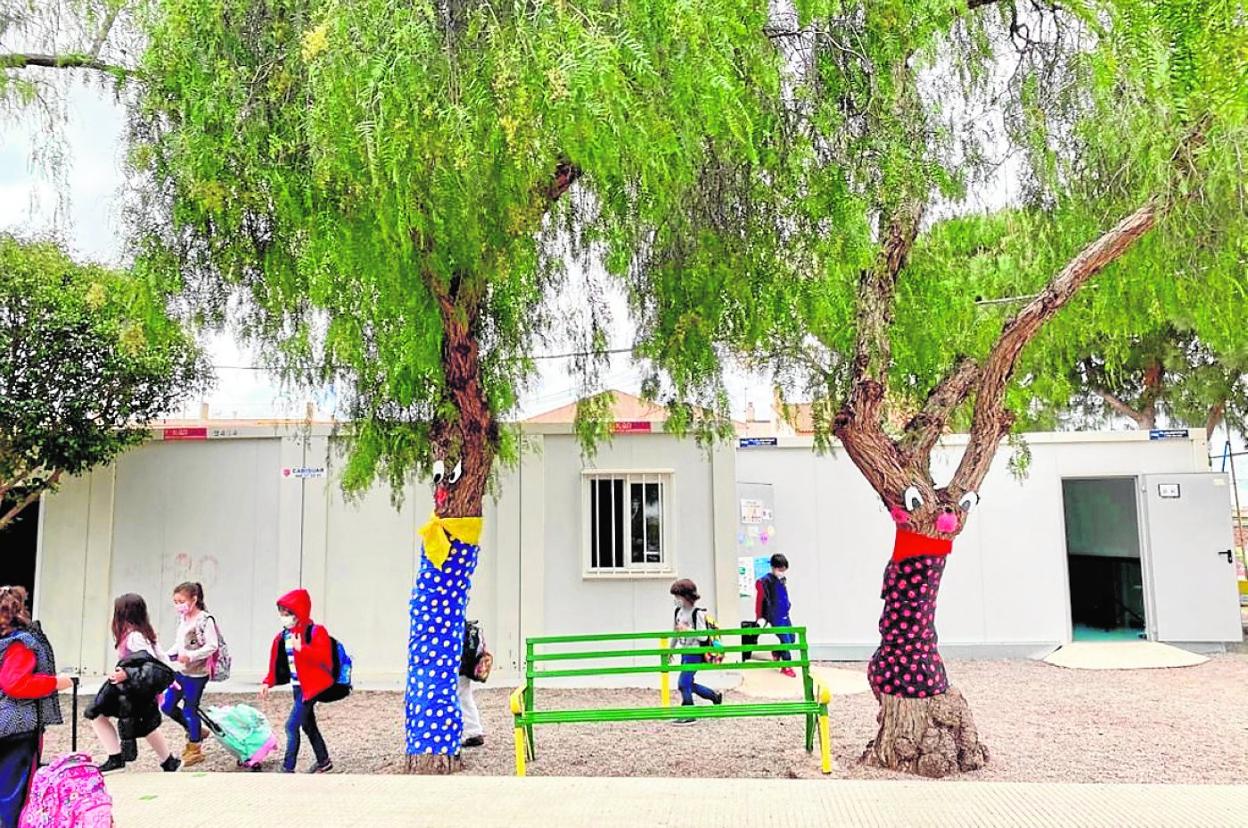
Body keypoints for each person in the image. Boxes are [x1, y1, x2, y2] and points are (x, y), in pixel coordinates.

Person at [0, 586, 73, 825]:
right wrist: (56, 682)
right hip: (16, 728)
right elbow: (15, 683)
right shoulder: (20, 642)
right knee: (12, 793)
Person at [87, 594, 180, 773]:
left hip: (132, 691)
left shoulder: (133, 637)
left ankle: (115, 758)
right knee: (147, 725)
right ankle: (169, 762)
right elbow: (160, 659)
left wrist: (126, 674)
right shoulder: (144, 634)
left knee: (96, 714)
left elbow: (148, 664)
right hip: (138, 691)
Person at [259, 589, 334, 774]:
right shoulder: (283, 636)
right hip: (297, 686)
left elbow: (324, 658)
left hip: (311, 688)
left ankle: (288, 767)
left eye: (288, 613)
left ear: (299, 612)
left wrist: (303, 649)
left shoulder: (316, 632)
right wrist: (267, 681)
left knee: (291, 726)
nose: (284, 618)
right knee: (308, 725)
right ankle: (324, 761)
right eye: (282, 614)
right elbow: (276, 661)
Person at [160, 582, 219, 768]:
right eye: (175, 602)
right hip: (180, 671)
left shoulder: (204, 620)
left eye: (181, 601)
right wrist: (166, 655)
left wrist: (191, 656)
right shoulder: (183, 619)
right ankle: (194, 730)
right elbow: (180, 644)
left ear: (194, 599)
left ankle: (195, 748)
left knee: (190, 708)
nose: (179, 605)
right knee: (167, 705)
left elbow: (212, 645)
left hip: (197, 674)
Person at [669, 579, 722, 725]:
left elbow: (703, 635)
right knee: (688, 683)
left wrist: (687, 629)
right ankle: (714, 697)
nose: (676, 600)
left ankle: (689, 713)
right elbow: (675, 632)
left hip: (695, 653)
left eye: (677, 596)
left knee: (683, 683)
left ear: (686, 596)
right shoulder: (678, 612)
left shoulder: (697, 613)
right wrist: (670, 650)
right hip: (685, 652)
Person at [755, 553, 796, 677]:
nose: (782, 572)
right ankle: (786, 666)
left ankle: (777, 652)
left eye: (784, 570)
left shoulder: (781, 580)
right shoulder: (765, 582)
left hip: (784, 615)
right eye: (780, 569)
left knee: (792, 639)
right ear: (773, 567)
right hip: (775, 616)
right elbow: (760, 601)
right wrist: (760, 617)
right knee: (786, 641)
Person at [458, 621, 485, 749]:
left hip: (458, 665)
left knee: (462, 696)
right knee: (464, 695)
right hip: (464, 664)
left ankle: (471, 732)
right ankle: (472, 730)